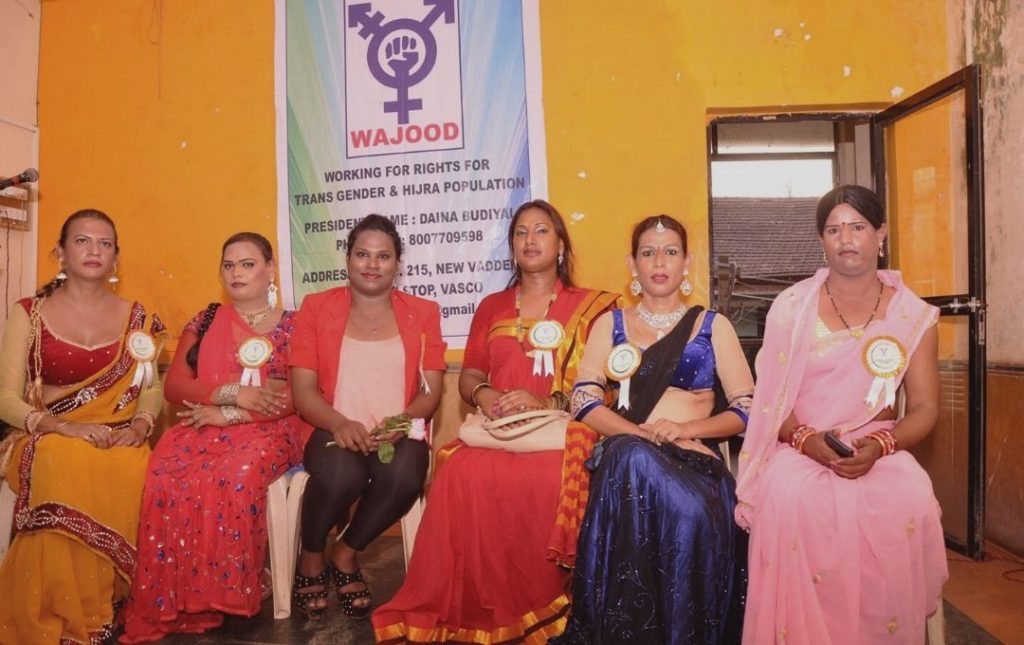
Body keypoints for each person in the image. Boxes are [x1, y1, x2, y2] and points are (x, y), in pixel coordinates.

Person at [373, 199, 619, 644]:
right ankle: (473, 602)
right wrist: (486, 396)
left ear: (560, 245)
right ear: (511, 247)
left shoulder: (596, 308)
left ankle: (545, 602)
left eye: (541, 231)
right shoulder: (492, 306)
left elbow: (613, 385)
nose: (530, 240)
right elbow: (469, 376)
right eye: (521, 232)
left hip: (564, 429)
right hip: (499, 430)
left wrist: (546, 400)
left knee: (546, 479)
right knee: (458, 471)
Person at [735, 185, 947, 644]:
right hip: (800, 445)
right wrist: (806, 439)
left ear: (880, 235)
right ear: (822, 241)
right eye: (834, 230)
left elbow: (926, 407)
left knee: (909, 495)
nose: (846, 238)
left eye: (857, 227)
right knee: (790, 499)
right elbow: (772, 398)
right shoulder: (792, 307)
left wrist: (881, 445)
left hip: (879, 448)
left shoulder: (914, 316)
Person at [551, 215, 753, 644]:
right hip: (628, 458)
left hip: (695, 462)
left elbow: (748, 410)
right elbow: (583, 400)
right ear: (632, 264)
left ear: (686, 262)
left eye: (670, 251)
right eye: (648, 252)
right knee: (630, 456)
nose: (659, 261)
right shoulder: (611, 325)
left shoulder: (712, 326)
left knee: (653, 478)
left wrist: (683, 428)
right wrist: (642, 435)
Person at [120, 232, 312, 641]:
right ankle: (177, 595)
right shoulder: (205, 321)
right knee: (165, 471)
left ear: (270, 269)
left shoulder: (296, 326)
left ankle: (224, 589)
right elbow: (175, 387)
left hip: (269, 431)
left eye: (248, 264)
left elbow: (295, 397)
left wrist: (231, 414)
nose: (236, 273)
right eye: (229, 265)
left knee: (237, 475)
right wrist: (231, 393)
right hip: (202, 422)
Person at [0, 209, 166, 644]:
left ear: (116, 258)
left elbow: (150, 386)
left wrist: (143, 424)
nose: (94, 251)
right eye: (82, 241)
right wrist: (61, 427)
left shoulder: (137, 318)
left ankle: (110, 599)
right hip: (47, 434)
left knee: (135, 466)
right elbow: (5, 400)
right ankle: (66, 611)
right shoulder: (29, 313)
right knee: (64, 461)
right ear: (60, 251)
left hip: (117, 434)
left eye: (105, 243)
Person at [289, 214, 446, 619]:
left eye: (383, 256)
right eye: (362, 254)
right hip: (331, 426)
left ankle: (345, 552)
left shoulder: (424, 312)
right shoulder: (316, 308)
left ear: (398, 264)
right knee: (345, 474)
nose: (372, 264)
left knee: (407, 472)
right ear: (347, 259)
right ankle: (311, 557)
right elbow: (303, 392)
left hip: (397, 429)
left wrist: (397, 425)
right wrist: (340, 423)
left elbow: (431, 392)